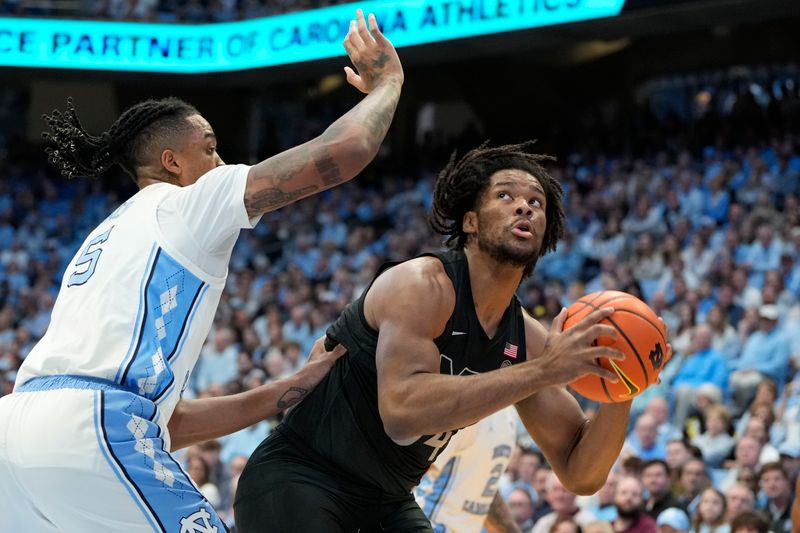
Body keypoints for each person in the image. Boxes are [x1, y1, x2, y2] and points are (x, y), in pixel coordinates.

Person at [0, 9, 404, 531]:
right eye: (210, 148)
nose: (221, 162)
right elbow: (343, 152)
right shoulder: (187, 200)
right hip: (93, 427)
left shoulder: (100, 240)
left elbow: (169, 422)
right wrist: (388, 84)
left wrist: (292, 386)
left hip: (16, 432)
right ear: (170, 162)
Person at [235, 140, 652, 532]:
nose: (524, 207)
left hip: (386, 500)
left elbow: (581, 472)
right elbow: (401, 414)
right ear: (470, 221)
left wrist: (627, 382)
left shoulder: (524, 337)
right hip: (302, 474)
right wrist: (542, 371)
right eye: (505, 196)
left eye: (535, 202)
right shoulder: (421, 285)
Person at [415, 406, 522, 533]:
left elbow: (484, 490)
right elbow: (413, 473)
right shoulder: (464, 409)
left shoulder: (510, 415)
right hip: (431, 525)